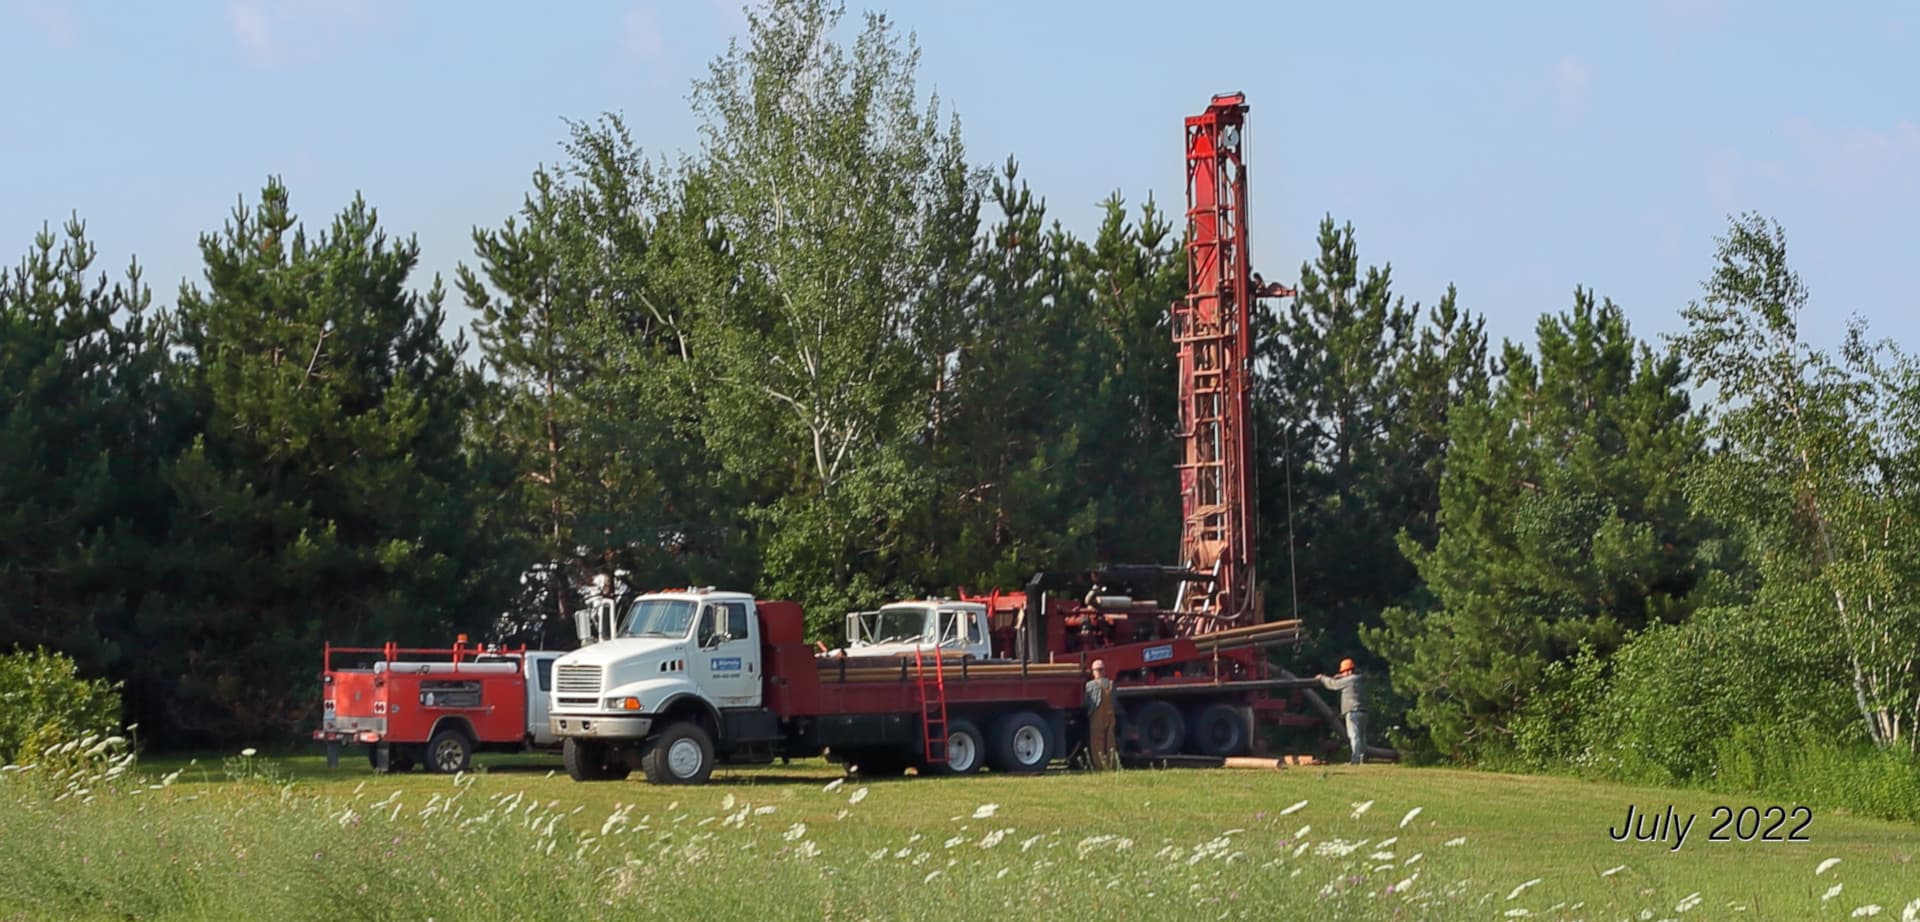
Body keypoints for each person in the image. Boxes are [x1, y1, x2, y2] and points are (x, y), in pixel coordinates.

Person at [1317, 658, 1367, 765]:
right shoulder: (1359, 679)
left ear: (1349, 671)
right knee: (1362, 736)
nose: (1342, 674)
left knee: (1354, 736)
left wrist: (1322, 678)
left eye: (1343, 672)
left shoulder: (1349, 680)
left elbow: (1333, 684)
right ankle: (1362, 758)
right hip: (1363, 711)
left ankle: (1355, 760)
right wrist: (1341, 677)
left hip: (1352, 711)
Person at [1084, 659, 1118, 771]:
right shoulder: (1090, 685)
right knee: (1098, 741)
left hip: (1108, 715)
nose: (1099, 672)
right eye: (1097, 670)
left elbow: (1086, 701)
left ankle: (1109, 765)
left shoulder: (1111, 684)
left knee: (1109, 741)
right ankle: (1100, 766)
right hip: (1097, 715)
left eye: (1100, 669)